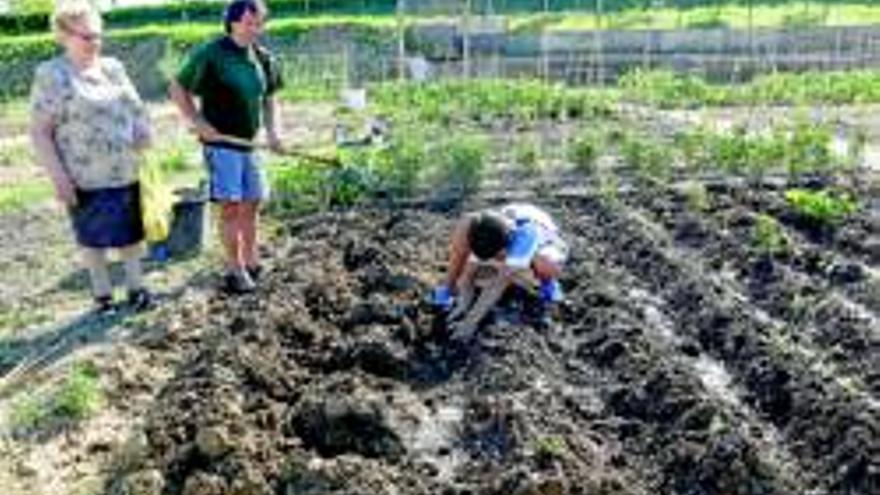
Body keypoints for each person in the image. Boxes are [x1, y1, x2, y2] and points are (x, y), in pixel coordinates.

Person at [30, 0, 154, 313]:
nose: (94, 43)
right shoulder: (52, 74)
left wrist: (142, 128)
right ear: (64, 35)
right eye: (86, 36)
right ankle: (103, 297)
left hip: (125, 168)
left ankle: (137, 289)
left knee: (130, 233)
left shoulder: (113, 68)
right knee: (93, 238)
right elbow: (40, 132)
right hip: (84, 175)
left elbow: (136, 107)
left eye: (97, 35)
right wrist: (58, 177)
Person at [169, 0, 284, 294]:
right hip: (222, 144)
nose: (254, 29)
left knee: (253, 201)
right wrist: (196, 120)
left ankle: (252, 259)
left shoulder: (263, 57)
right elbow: (177, 87)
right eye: (248, 22)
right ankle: (235, 269)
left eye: (259, 23)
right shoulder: (212, 54)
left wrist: (274, 132)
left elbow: (270, 99)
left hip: (250, 145)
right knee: (231, 206)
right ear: (232, 22)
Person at [433, 203, 568, 338]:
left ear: (503, 249)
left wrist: (470, 323)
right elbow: (467, 276)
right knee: (477, 277)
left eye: (496, 256)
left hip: (546, 245)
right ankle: (515, 276)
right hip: (506, 231)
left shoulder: (525, 237)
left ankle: (547, 283)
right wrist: (462, 306)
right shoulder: (484, 235)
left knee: (545, 263)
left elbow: (497, 285)